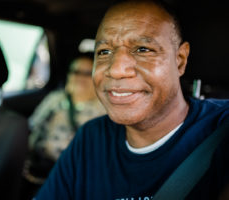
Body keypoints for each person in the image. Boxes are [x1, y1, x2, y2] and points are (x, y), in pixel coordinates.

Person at [33, 0, 229, 199]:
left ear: (180, 60)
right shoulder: (91, 139)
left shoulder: (222, 129)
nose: (116, 69)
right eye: (104, 52)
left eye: (143, 49)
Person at [23, 53, 106, 185]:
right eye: (75, 71)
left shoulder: (105, 110)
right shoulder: (55, 98)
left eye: (87, 73)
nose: (80, 78)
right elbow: (32, 127)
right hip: (37, 168)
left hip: (74, 176)